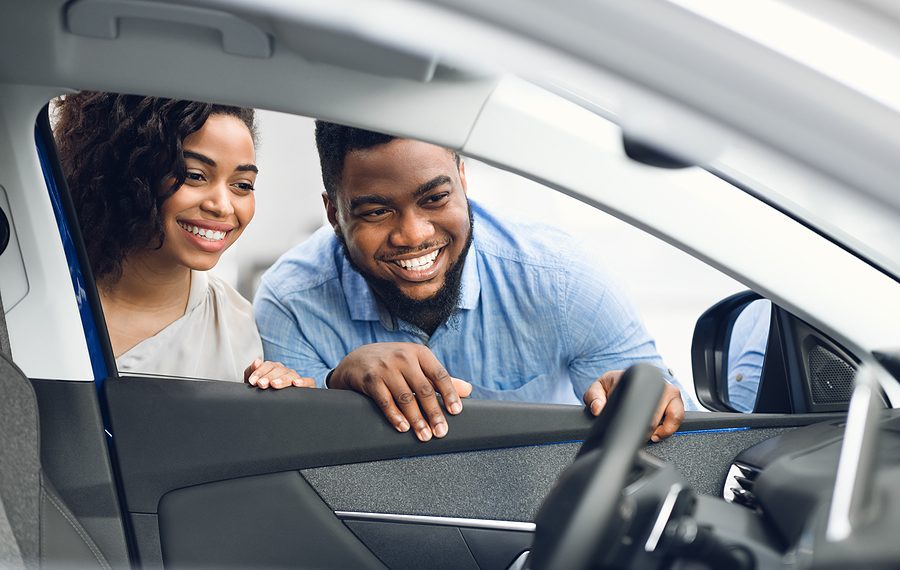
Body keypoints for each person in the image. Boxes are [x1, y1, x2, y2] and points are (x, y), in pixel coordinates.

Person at [254, 122, 689, 442]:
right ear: (335, 214)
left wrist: (642, 400)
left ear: (463, 181)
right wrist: (336, 383)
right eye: (376, 212)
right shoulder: (291, 302)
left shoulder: (560, 279)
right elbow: (292, 467)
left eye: (435, 199)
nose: (414, 235)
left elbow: (667, 423)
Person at [54, 92, 313, 387]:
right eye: (195, 176)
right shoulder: (42, 289)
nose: (223, 206)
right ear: (131, 171)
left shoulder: (235, 324)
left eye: (242, 185)